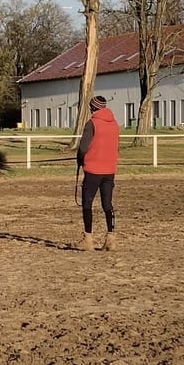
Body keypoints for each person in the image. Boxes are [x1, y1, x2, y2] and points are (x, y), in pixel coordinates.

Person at [75, 95, 119, 251]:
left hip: (93, 169)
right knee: (107, 203)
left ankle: (88, 238)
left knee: (87, 203)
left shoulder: (91, 124)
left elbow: (83, 148)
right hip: (109, 170)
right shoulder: (114, 124)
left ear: (93, 108)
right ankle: (111, 238)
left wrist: (80, 159)